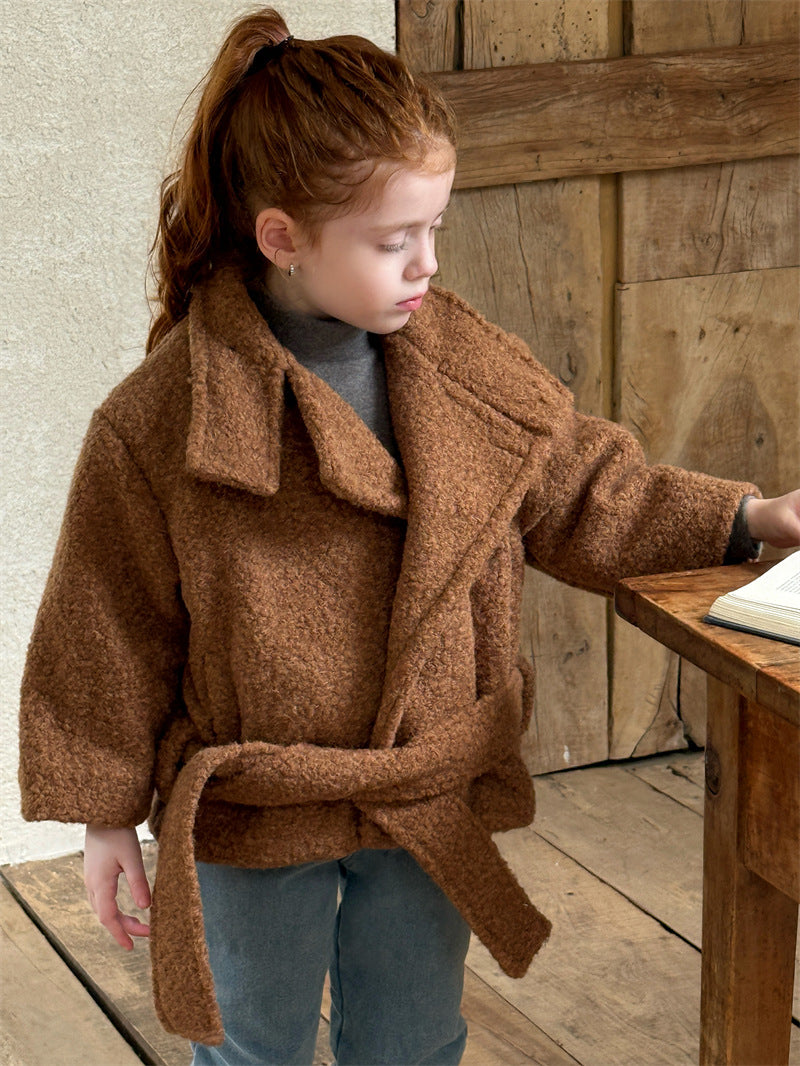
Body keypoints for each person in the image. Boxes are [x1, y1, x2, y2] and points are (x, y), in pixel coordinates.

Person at [18, 8, 800, 1066]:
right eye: (394, 241)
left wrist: (746, 518)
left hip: (428, 787)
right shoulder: (161, 422)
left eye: (435, 227)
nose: (427, 263)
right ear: (282, 238)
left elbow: (582, 487)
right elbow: (105, 627)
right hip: (260, 811)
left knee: (415, 1039)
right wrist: (104, 815)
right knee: (251, 1048)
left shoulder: (463, 368)